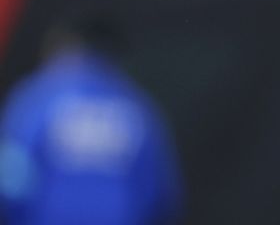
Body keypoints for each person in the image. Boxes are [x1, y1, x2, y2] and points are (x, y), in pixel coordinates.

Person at [0, 16, 183, 225]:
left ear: (68, 45)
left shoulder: (38, 98)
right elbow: (159, 193)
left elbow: (11, 178)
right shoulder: (136, 105)